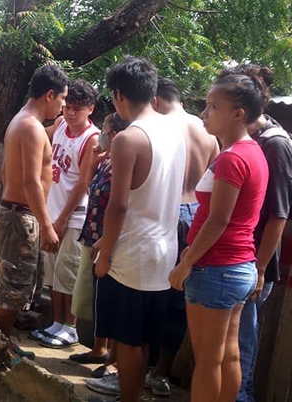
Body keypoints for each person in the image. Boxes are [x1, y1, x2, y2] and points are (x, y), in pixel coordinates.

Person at [169, 69, 270, 402]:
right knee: (227, 355)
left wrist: (186, 263)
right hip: (238, 266)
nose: (204, 113)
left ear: (238, 114)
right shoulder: (253, 152)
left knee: (208, 361)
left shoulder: (232, 159)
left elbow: (217, 220)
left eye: (212, 106)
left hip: (216, 268)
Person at [92, 56, 186, 402]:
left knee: (128, 342)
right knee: (145, 338)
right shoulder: (176, 132)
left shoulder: (128, 139)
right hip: (164, 252)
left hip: (132, 254)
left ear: (118, 95)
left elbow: (119, 206)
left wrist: (105, 253)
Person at [146, 78, 219, 397]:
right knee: (178, 299)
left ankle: (135, 369)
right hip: (196, 217)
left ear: (156, 100)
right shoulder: (207, 132)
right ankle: (161, 372)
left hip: (165, 212)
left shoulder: (161, 126)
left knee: (148, 290)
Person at [0, 64, 68, 363]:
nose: (62, 107)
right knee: (12, 288)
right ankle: (1, 350)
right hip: (20, 216)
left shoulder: (22, 122)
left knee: (14, 285)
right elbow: (30, 181)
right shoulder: (31, 127)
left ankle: (5, 344)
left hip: (16, 213)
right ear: (49, 94)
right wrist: (46, 226)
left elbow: (5, 172)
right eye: (61, 99)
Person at [230, 66, 292, 402]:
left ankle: (243, 395)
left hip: (255, 261)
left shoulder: (276, 144)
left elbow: (279, 213)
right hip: (236, 257)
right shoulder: (248, 139)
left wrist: (259, 268)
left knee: (243, 337)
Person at [30, 80, 99, 349]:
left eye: (78, 109)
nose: (70, 113)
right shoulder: (59, 125)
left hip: (73, 217)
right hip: (53, 212)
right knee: (52, 274)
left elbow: (82, 184)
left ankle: (70, 327)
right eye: (68, 107)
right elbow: (39, 134)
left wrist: (60, 220)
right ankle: (56, 323)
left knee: (67, 274)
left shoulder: (90, 138)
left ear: (90, 109)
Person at [72, 114, 130, 397]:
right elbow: (88, 188)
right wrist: (94, 163)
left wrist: (107, 242)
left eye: (106, 131)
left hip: (110, 241)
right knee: (96, 296)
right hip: (93, 235)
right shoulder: (108, 160)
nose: (101, 135)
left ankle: (110, 359)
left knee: (109, 300)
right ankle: (98, 350)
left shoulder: (125, 164)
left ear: (117, 133)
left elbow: (122, 207)